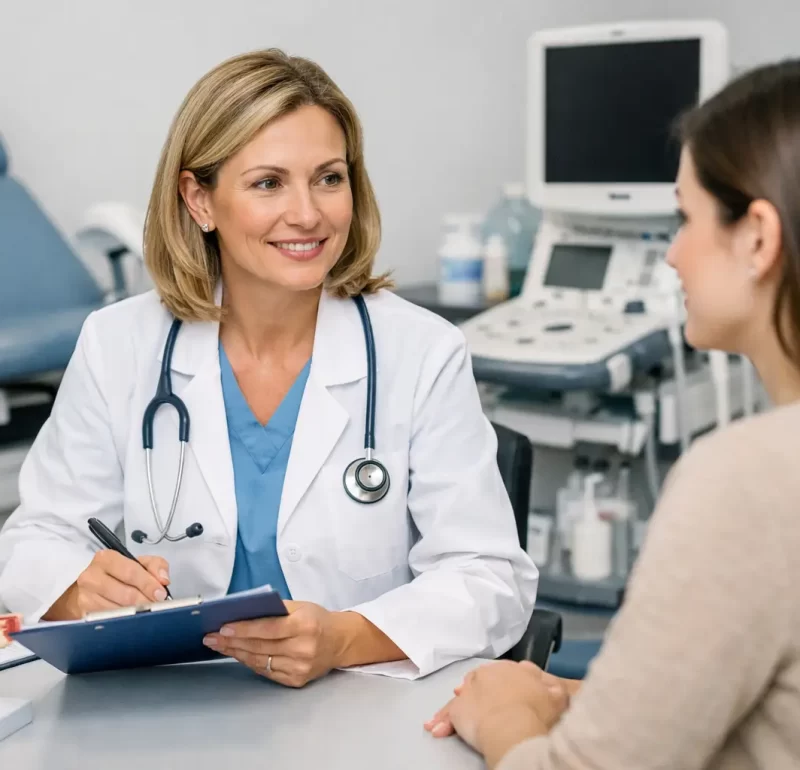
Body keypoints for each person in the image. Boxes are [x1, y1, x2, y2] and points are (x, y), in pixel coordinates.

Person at [0, 49, 537, 687]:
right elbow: (36, 537)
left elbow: (488, 575)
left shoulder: (420, 351)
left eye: (329, 178)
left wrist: (343, 638)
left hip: (356, 707)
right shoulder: (118, 344)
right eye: (268, 183)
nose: (308, 214)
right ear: (198, 198)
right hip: (165, 702)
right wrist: (78, 590)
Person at [426, 59, 800, 768]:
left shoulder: (747, 480)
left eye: (684, 221)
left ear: (757, 236)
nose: (672, 259)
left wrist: (505, 713)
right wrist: (589, 701)